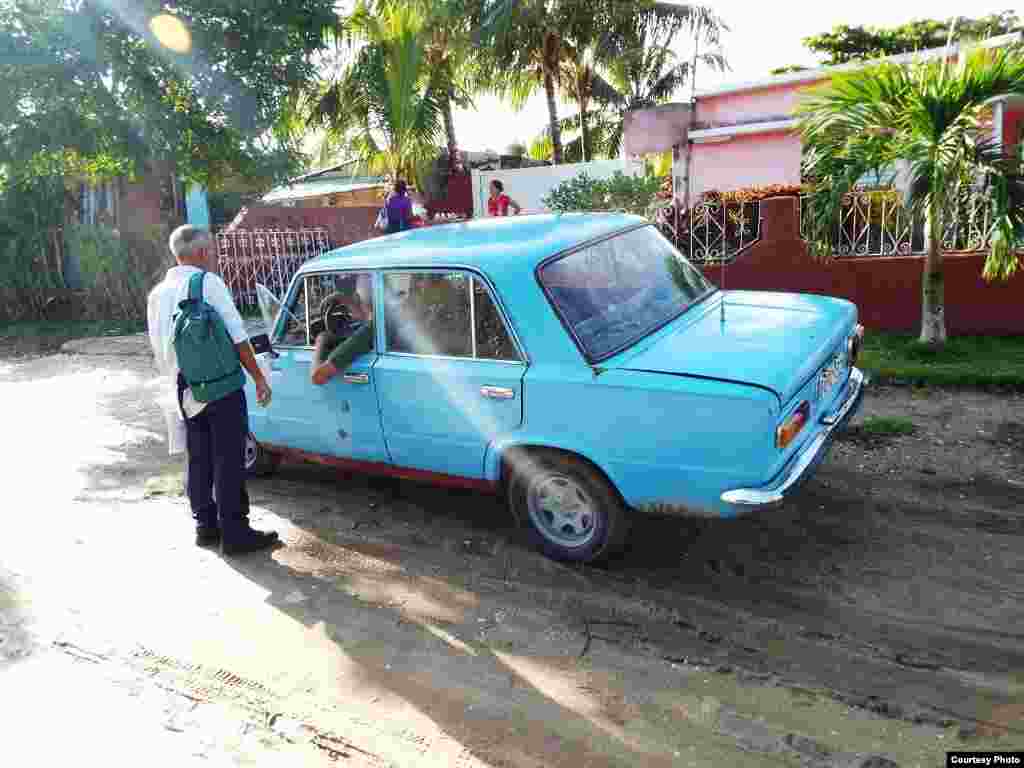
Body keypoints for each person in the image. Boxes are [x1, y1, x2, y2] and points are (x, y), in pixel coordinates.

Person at [147, 225, 279, 555]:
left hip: (183, 385)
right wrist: (259, 378)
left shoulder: (157, 294)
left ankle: (205, 527)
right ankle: (235, 532)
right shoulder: (208, 283)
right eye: (212, 251)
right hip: (219, 383)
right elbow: (238, 336)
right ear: (203, 252)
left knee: (199, 456)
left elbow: (159, 347)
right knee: (229, 456)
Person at [310, 273, 375, 386]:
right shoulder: (389, 320)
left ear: (358, 299)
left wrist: (322, 339)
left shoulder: (367, 333)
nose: (349, 310)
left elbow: (318, 377)